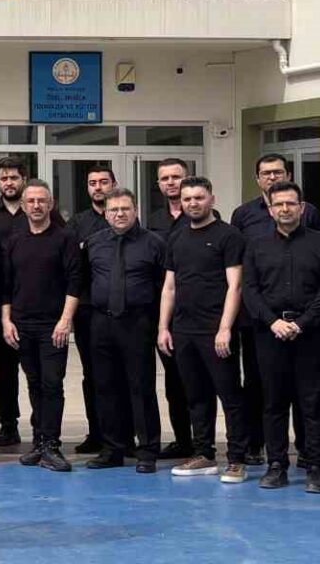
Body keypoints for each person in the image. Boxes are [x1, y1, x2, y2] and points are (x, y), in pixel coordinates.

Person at [232, 153, 320, 466]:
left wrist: (303, 322)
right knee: (269, 397)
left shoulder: (318, 236)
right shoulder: (249, 230)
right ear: (269, 208)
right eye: (278, 205)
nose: (285, 209)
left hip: (310, 330)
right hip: (265, 328)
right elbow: (249, 285)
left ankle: (314, 460)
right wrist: (271, 321)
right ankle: (271, 459)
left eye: (290, 204)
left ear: (301, 207)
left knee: (312, 398)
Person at [157, 176, 249, 483]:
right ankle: (204, 454)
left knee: (230, 395)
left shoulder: (229, 236)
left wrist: (225, 328)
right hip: (183, 330)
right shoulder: (177, 237)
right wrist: (163, 327)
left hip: (215, 330)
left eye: (198, 197)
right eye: (187, 199)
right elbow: (169, 287)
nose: (193, 203)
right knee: (196, 396)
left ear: (211, 199)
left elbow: (235, 286)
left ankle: (236, 459)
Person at [1, 179, 81, 472]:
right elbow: (6, 285)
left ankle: (52, 445)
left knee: (52, 384)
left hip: (53, 325)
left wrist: (65, 321)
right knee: (34, 383)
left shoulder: (65, 238)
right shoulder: (14, 241)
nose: (36, 206)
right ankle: (38, 441)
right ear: (23, 206)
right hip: (22, 325)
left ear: (51, 204)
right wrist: (6, 320)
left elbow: (75, 282)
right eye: (31, 201)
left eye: (41, 201)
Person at [82, 187, 165, 472]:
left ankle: (147, 451)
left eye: (125, 209)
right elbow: (85, 281)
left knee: (141, 387)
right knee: (105, 387)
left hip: (138, 322)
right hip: (101, 322)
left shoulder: (154, 243)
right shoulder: (93, 243)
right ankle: (112, 449)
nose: (119, 214)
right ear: (106, 214)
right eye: (114, 210)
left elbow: (164, 286)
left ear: (135, 211)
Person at [0, 156, 38, 448]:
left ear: (24, 180)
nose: (9, 183)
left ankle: (42, 427)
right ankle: (9, 424)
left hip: (31, 301)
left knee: (36, 370)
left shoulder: (36, 209)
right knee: (4, 371)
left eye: (14, 177)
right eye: (4, 178)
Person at [146, 158, 195, 460]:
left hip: (197, 311)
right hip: (163, 312)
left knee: (199, 380)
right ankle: (182, 441)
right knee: (174, 381)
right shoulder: (153, 220)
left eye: (176, 177)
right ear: (159, 184)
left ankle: (204, 441)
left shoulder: (203, 215)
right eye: (165, 178)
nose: (171, 183)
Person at [68, 167, 115, 455]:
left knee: (121, 374)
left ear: (114, 184)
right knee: (92, 374)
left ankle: (124, 435)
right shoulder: (78, 223)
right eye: (92, 183)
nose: (98, 187)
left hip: (120, 309)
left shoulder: (123, 216)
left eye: (103, 182)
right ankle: (96, 433)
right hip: (87, 308)